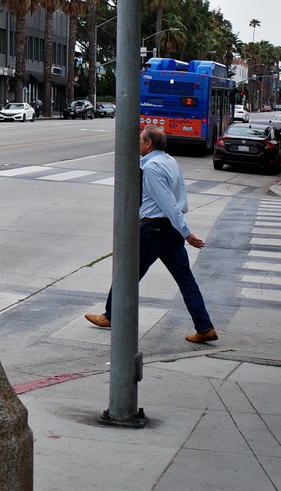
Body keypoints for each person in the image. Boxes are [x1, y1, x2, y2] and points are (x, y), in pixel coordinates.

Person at [84, 125, 217, 343]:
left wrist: (186, 232)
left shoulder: (153, 167)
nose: (137, 142)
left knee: (126, 272)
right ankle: (205, 327)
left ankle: (110, 316)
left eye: (140, 139)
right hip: (169, 231)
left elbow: (167, 202)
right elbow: (179, 197)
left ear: (148, 143)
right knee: (186, 280)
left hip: (154, 229)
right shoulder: (169, 161)